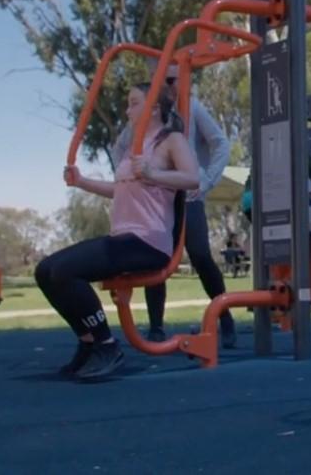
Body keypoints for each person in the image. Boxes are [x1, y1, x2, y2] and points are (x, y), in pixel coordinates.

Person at [36, 83, 199, 380]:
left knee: (65, 272)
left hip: (148, 241)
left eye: (133, 103)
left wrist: (153, 174)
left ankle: (107, 345)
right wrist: (82, 182)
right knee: (45, 270)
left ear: (154, 108)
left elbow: (192, 178)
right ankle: (88, 343)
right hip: (123, 237)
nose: (127, 110)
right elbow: (121, 191)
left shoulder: (170, 140)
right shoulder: (132, 149)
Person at [111, 61, 236, 349]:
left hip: (188, 195)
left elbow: (221, 143)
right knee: (157, 255)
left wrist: (205, 182)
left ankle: (226, 319)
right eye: (163, 81)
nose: (169, 87)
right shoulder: (150, 115)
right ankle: (156, 327)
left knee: (201, 255)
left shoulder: (192, 107)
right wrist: (128, 177)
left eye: (172, 81)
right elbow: (119, 147)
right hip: (158, 197)